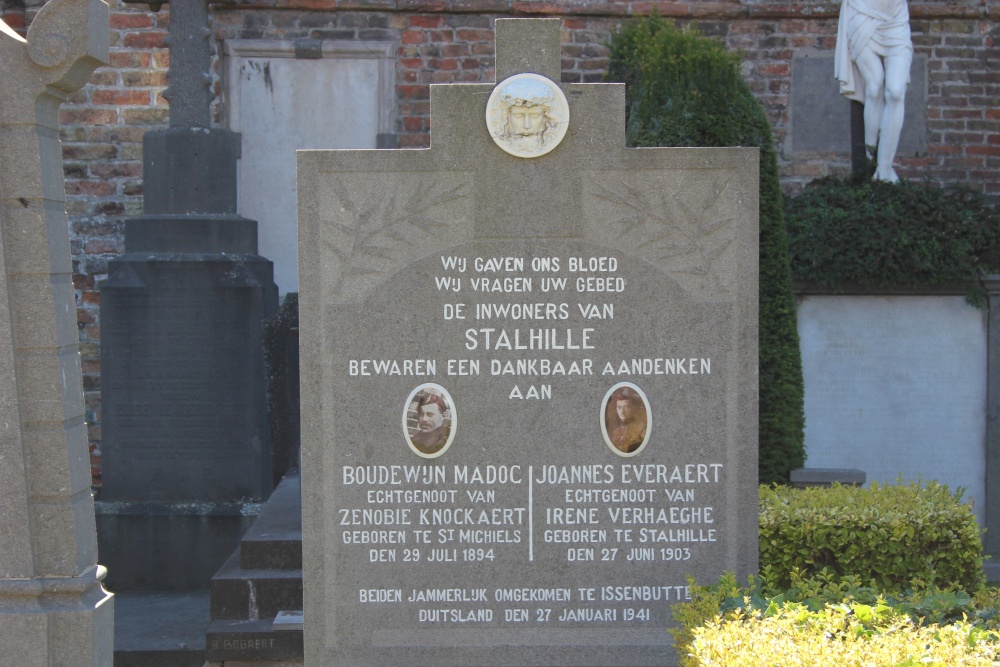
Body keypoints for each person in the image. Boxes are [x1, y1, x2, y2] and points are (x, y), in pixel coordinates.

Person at [835, 0, 913, 182]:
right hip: (862, 13)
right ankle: (871, 169)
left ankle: (884, 169)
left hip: (895, 17)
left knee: (895, 91)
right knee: (874, 86)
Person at [608, 387, 647, 454]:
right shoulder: (616, 432)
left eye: (626, 407)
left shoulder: (642, 428)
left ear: (632, 409)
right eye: (619, 407)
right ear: (616, 409)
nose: (622, 412)